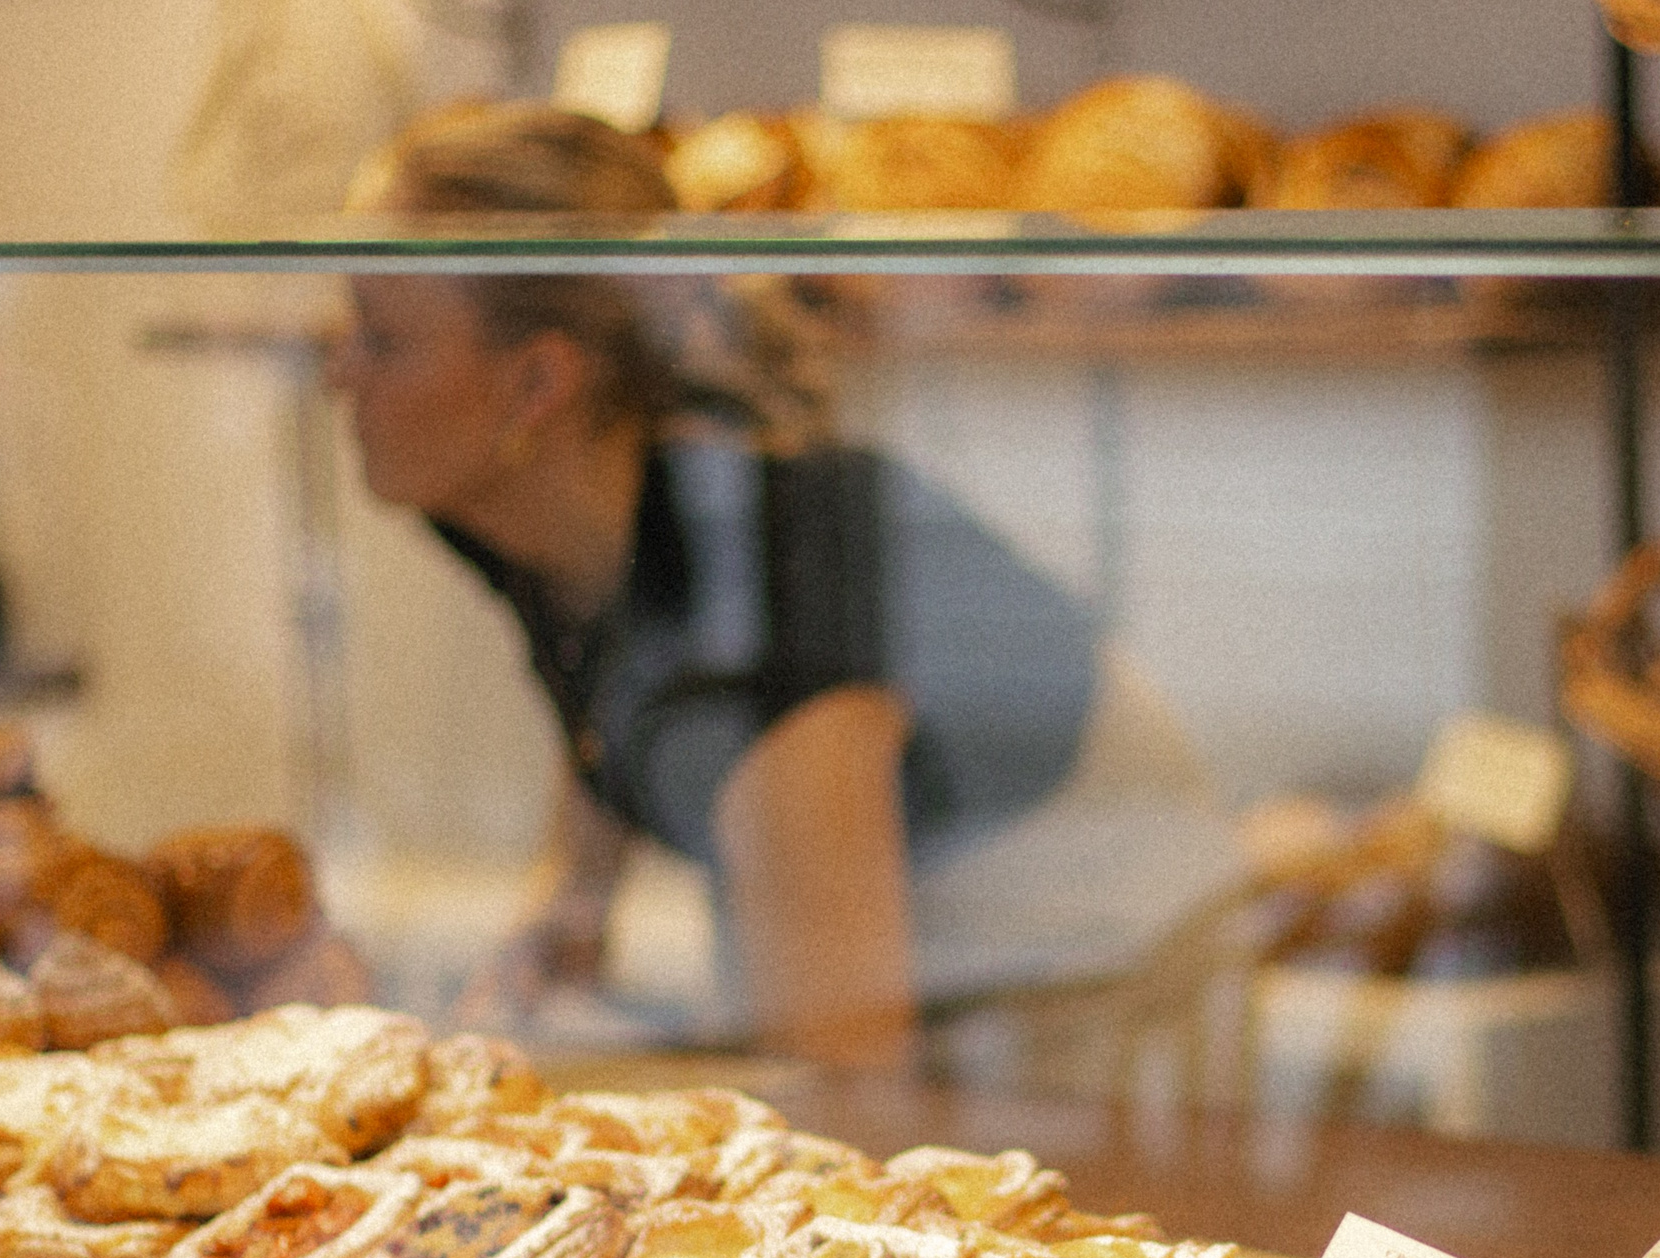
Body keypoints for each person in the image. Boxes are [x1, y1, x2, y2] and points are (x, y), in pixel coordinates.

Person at [328, 103, 1243, 1067]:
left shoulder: (757, 603)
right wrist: (572, 903)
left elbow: (845, 1067)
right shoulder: (546, 514)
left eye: (381, 339)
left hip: (1099, 999)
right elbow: (603, 679)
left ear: (537, 385)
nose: (336, 371)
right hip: (906, 979)